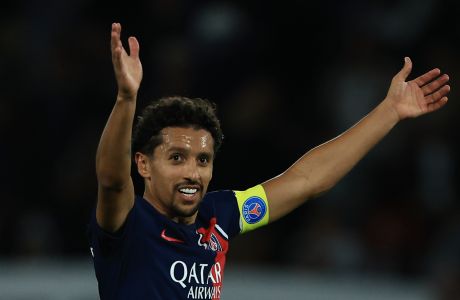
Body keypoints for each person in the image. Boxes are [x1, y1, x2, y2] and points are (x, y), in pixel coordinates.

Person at [88, 23, 450, 300]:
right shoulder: (128, 223)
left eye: (203, 160)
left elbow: (305, 180)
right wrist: (125, 98)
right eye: (177, 158)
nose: (192, 172)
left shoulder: (221, 215)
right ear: (144, 165)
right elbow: (112, 179)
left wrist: (389, 112)